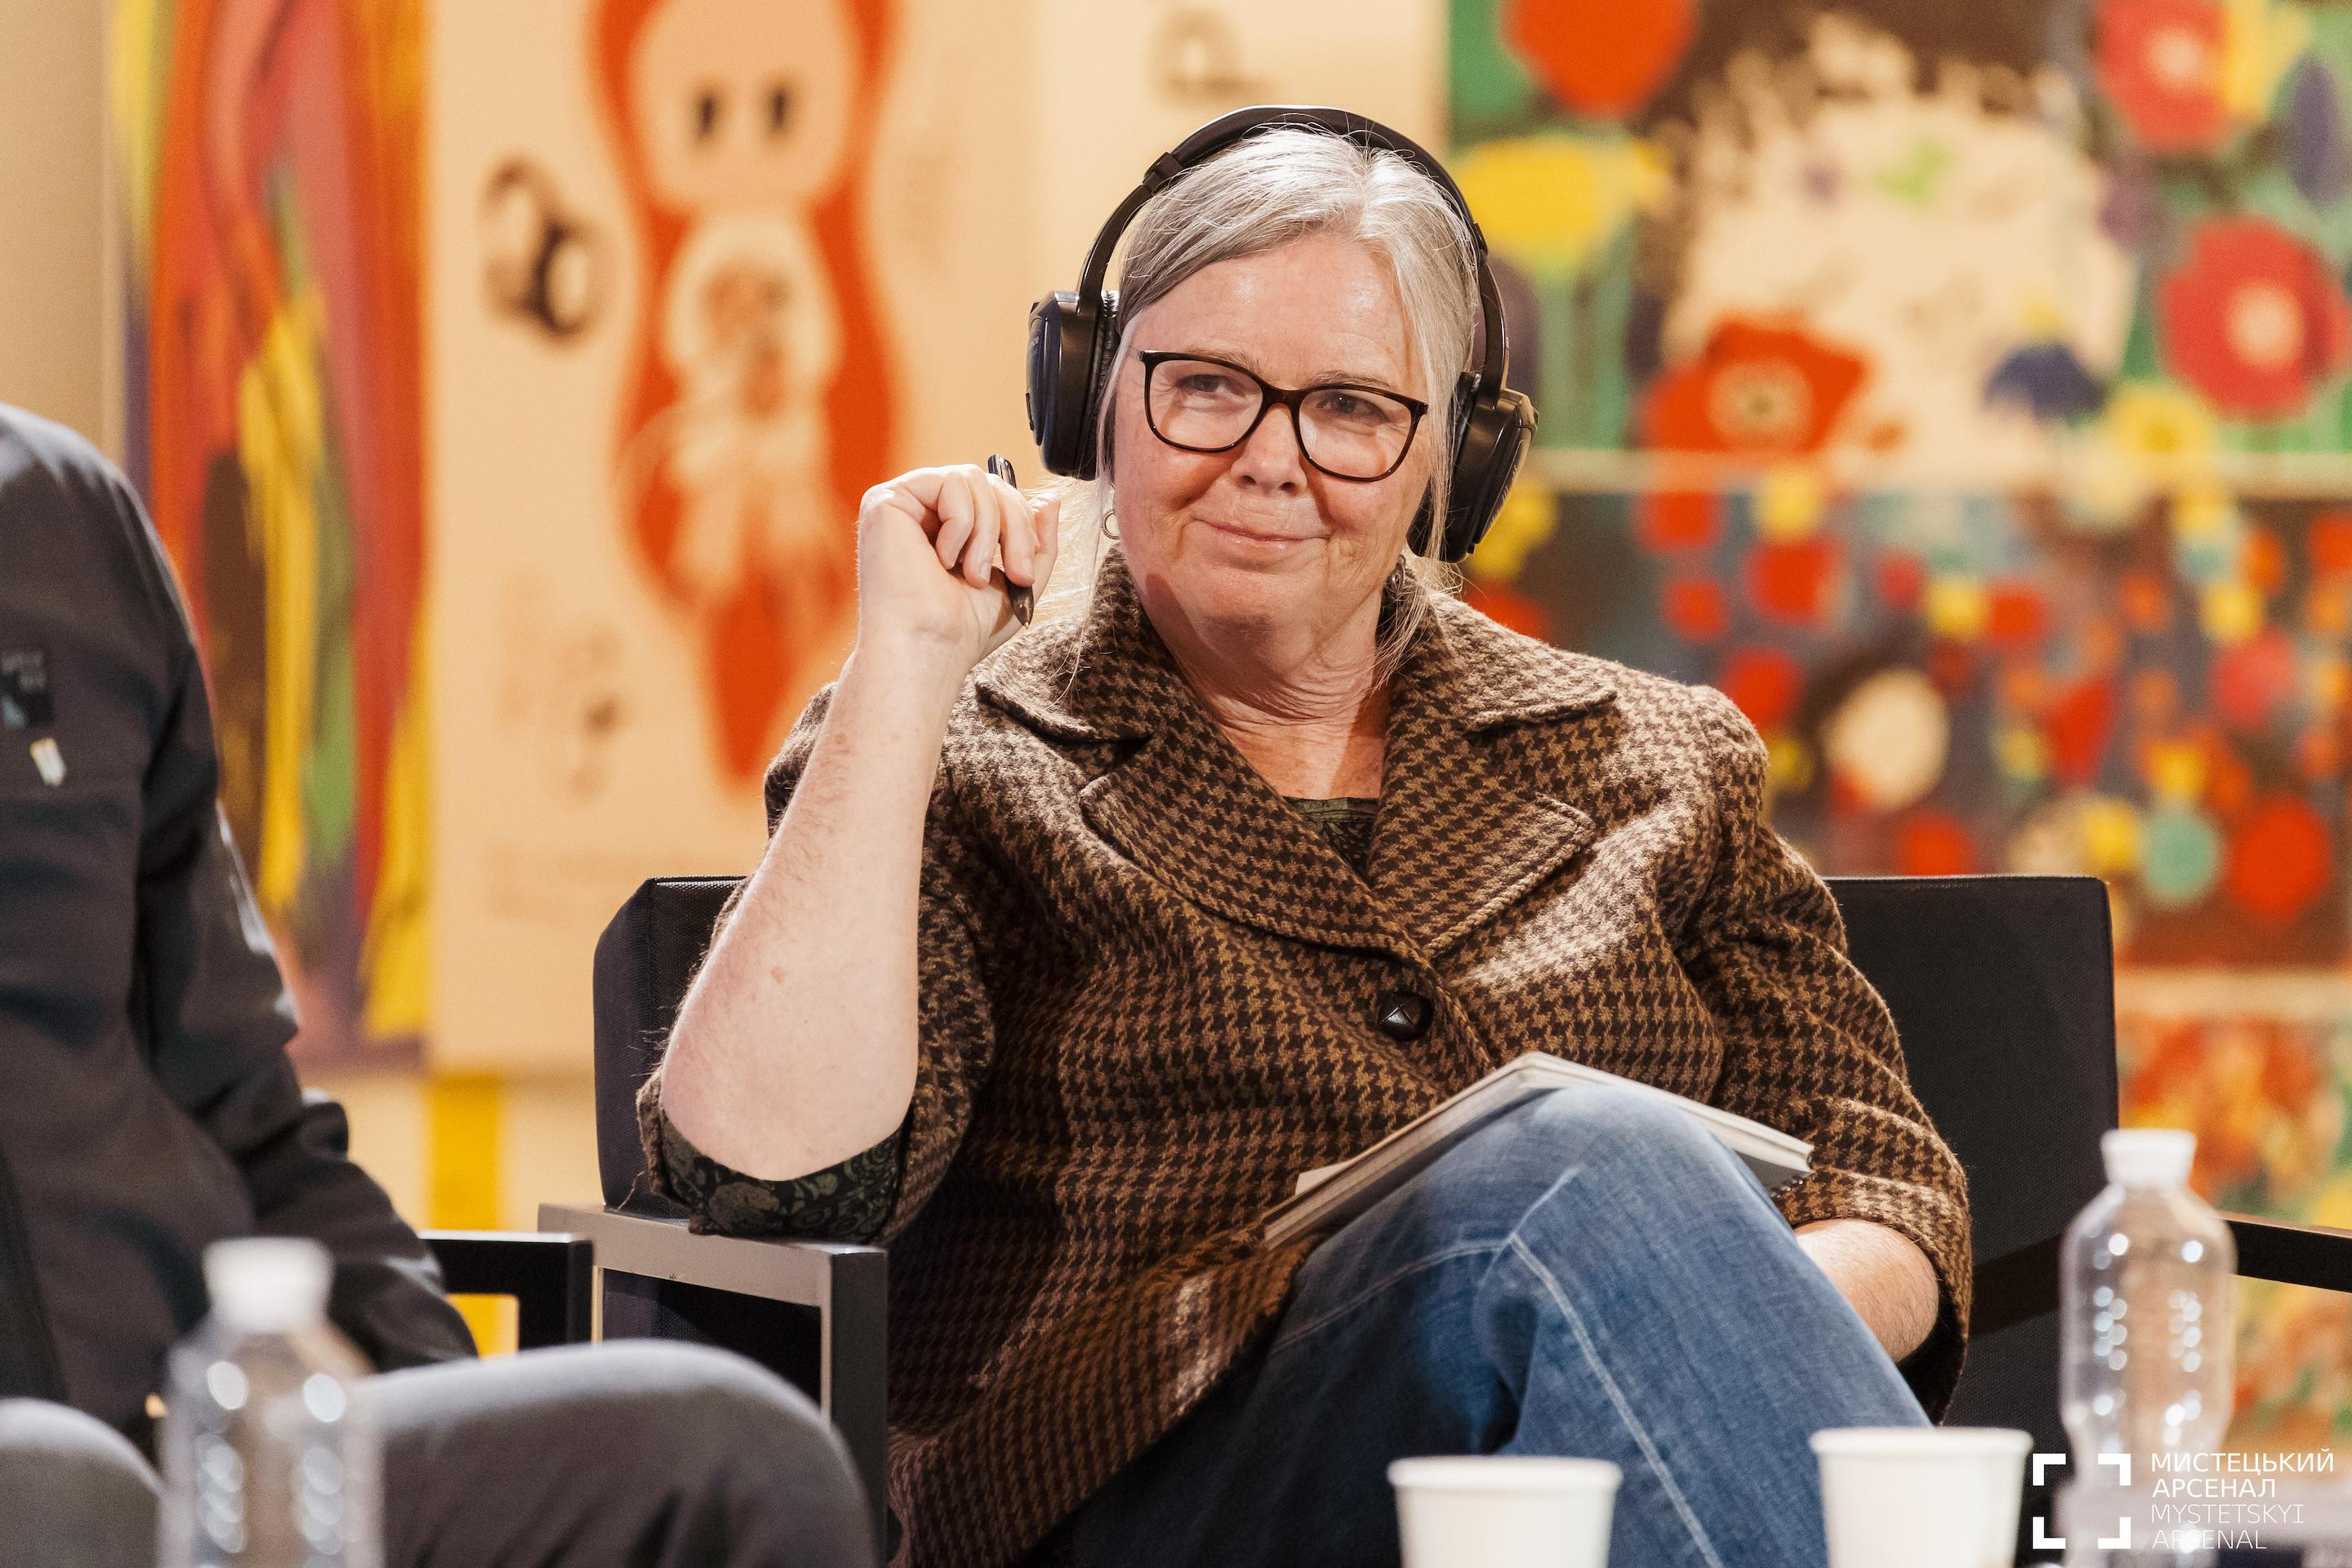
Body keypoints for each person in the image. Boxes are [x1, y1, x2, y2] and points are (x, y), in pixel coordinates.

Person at [645, 113, 1971, 1568]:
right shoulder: (963, 755)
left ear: (1449, 464)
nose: (1270, 461)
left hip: (1571, 1508)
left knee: (1595, 1212)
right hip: (1142, 1500)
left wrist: (1654, 1319)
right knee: (1580, 1167)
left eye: (1348, 409)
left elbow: (1886, 1187)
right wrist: (901, 670)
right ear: (1091, 403)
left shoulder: (1662, 759)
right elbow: (768, 1191)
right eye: (1207, 388)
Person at [0, 402, 876, 1568]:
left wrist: (425, 1380)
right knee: (61, 1496)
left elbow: (246, 1110)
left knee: (740, 1461)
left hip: (187, 1446)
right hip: (52, 1491)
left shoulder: (62, 518)